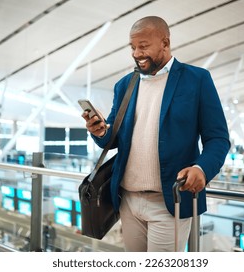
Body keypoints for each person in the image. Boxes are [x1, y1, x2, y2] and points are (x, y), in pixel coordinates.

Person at [82, 16, 230, 252]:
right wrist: (100, 131)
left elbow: (218, 138)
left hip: (170, 202)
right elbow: (113, 139)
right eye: (132, 47)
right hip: (128, 201)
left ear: (165, 42)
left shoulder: (197, 80)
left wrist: (201, 169)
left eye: (143, 46)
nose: (136, 53)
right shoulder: (125, 85)